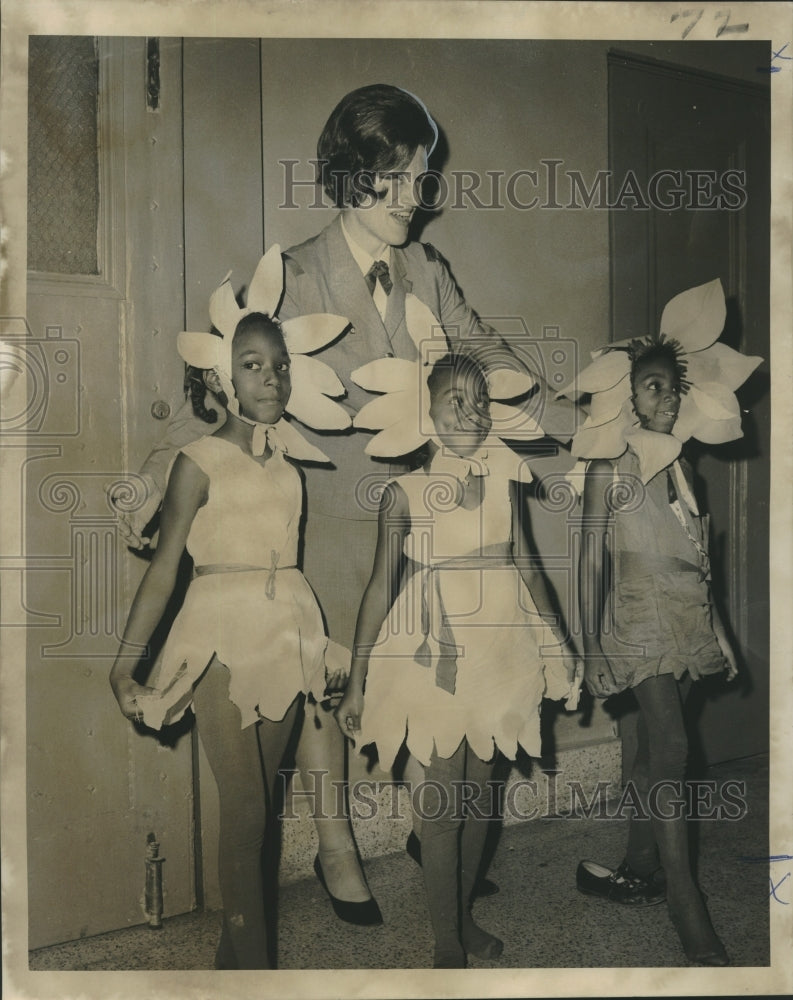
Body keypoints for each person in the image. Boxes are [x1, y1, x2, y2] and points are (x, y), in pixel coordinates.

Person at [113, 83, 579, 907]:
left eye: (422, 174)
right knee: (322, 684)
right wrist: (153, 478)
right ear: (349, 173)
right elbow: (220, 392)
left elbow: (491, 360)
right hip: (324, 518)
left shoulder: (428, 271)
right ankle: (334, 844)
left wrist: (581, 419)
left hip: (427, 519)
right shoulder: (291, 276)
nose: (414, 195)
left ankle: (429, 826)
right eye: (395, 176)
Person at [109, 250, 371, 968]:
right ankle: (256, 977)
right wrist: (123, 667)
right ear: (221, 377)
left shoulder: (286, 466)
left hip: (285, 632)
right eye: (253, 365)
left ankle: (234, 967)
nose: (272, 378)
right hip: (219, 638)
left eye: (280, 365)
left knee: (262, 814)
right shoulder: (196, 462)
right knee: (247, 811)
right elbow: (164, 574)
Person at [335, 316, 583, 968]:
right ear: (426, 414)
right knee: (443, 804)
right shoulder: (404, 493)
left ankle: (463, 915)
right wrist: (358, 678)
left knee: (482, 798)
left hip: (501, 652)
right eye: (455, 401)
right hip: (436, 656)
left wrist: (557, 644)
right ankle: (446, 940)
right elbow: (377, 590)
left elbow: (528, 568)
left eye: (479, 401)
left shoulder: (506, 483)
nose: (471, 412)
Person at [565, 279, 761, 966]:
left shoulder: (682, 468)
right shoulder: (607, 463)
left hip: (684, 617)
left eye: (671, 389)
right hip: (635, 618)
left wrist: (721, 639)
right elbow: (589, 559)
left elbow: (698, 565)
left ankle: (640, 862)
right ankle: (687, 906)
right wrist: (590, 643)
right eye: (651, 387)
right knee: (672, 749)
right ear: (625, 394)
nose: (665, 398)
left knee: (651, 752)